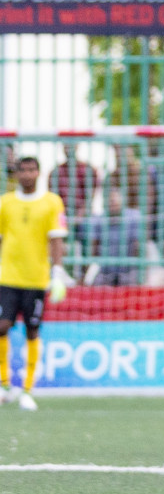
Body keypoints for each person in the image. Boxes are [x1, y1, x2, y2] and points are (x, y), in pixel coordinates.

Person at [0, 157, 67, 410]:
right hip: (7, 277)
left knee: (32, 330)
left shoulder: (52, 202)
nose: (27, 174)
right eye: (23, 170)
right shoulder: (5, 202)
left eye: (32, 169)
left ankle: (28, 389)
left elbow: (56, 239)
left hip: (36, 279)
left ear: (39, 173)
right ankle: (5, 385)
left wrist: (57, 273)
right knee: (2, 326)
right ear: (16, 174)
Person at [90, 187, 144, 286]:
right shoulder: (99, 219)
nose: (112, 203)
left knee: (133, 285)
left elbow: (138, 247)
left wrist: (136, 268)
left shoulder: (134, 217)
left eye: (114, 200)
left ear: (123, 200)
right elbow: (93, 247)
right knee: (95, 286)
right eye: (109, 200)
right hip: (105, 270)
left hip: (128, 269)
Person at [48, 144, 99, 221]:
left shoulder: (89, 170)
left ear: (77, 146)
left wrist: (78, 217)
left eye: (71, 145)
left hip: (84, 219)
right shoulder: (55, 172)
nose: (68, 149)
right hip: (62, 218)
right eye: (66, 146)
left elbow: (90, 198)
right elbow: (53, 199)